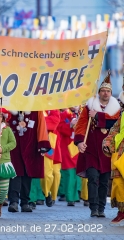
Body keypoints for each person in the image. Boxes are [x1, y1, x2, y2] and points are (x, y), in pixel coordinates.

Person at [74, 71, 120, 217]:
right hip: (92, 148)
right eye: (103, 90)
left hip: (107, 149)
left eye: (108, 91)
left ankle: (101, 208)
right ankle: (93, 207)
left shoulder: (116, 109)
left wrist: (98, 116)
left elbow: (115, 122)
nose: (105, 93)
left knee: (105, 181)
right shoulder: (89, 107)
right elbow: (81, 125)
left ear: (111, 93)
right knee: (93, 177)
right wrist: (80, 142)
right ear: (99, 92)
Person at [8, 111, 51, 212]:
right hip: (13, 145)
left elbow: (41, 126)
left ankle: (25, 202)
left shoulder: (36, 109)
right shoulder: (9, 108)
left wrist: (43, 144)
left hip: (30, 145)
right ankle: (13, 201)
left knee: (28, 173)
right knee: (15, 172)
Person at [102, 77, 124, 224]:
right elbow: (115, 130)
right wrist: (107, 142)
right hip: (120, 152)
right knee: (118, 182)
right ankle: (122, 211)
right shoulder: (122, 114)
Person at [58, 106, 81, 206]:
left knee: (78, 173)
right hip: (67, 147)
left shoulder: (82, 114)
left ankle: (76, 195)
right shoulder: (64, 114)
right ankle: (70, 197)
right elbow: (59, 127)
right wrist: (70, 125)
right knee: (69, 173)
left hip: (79, 146)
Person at [40, 110, 61, 207]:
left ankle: (52, 196)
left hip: (52, 145)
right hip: (41, 142)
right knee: (46, 173)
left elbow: (54, 123)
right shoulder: (37, 107)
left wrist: (41, 121)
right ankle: (47, 193)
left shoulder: (53, 108)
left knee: (55, 174)